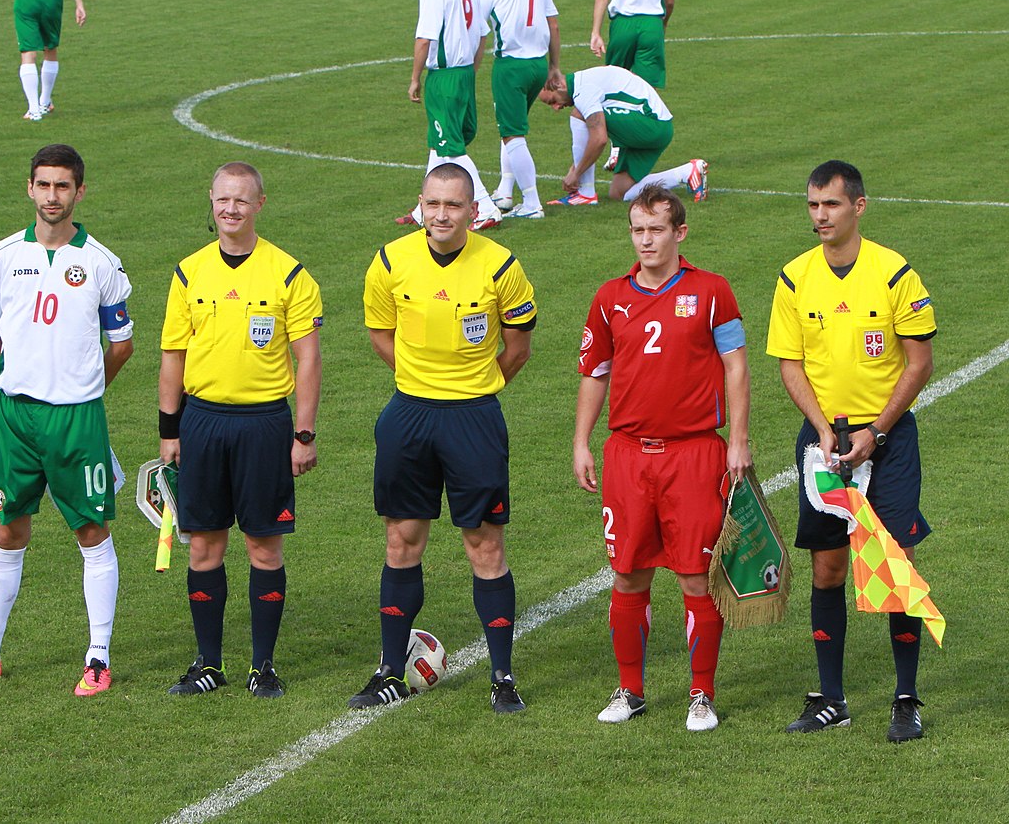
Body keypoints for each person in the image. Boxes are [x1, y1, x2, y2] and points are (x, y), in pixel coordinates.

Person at [350, 163, 537, 713]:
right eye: (433, 204)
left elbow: (519, 346)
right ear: (420, 205)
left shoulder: (501, 266)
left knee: (484, 543)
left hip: (473, 418)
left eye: (453, 205)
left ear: (473, 210)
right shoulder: (389, 261)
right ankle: (389, 669)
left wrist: (475, 387)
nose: (441, 215)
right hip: (408, 415)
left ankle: (502, 676)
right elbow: (379, 334)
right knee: (401, 539)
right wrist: (419, 380)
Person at [766, 160, 937, 742]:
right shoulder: (793, 278)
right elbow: (790, 364)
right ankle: (830, 698)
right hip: (824, 444)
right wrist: (820, 429)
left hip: (886, 442)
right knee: (829, 565)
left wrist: (878, 433)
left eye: (831, 205)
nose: (820, 216)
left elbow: (919, 363)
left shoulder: (894, 276)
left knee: (895, 564)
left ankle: (906, 699)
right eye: (813, 205)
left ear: (858, 207)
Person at [0, 143, 133, 696]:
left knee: (90, 530)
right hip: (15, 417)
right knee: (8, 529)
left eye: (63, 186)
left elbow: (122, 345)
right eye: (44, 184)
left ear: (80, 191)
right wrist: (28, 378)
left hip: (77, 420)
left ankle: (98, 657)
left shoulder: (102, 263)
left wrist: (80, 388)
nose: (52, 195)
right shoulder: (1, 257)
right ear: (29, 188)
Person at [573, 184, 751, 730]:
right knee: (627, 575)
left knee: (696, 576)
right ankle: (630, 690)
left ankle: (701, 693)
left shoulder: (713, 291)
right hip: (627, 456)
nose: (646, 240)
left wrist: (739, 441)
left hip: (694, 455)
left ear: (680, 233)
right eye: (637, 230)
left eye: (656, 230)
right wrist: (581, 441)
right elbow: (594, 373)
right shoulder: (609, 297)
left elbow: (737, 367)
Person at [158, 162, 322, 698]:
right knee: (203, 546)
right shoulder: (188, 273)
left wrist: (303, 433)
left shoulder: (290, 275)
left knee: (264, 548)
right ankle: (208, 663)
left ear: (260, 204)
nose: (231, 209)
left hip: (264, 426)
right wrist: (169, 430)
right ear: (210, 200)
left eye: (242, 201)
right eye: (223, 200)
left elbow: (309, 359)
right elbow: (172, 357)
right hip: (202, 422)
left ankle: (263, 665)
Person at [396, 0, 503, 231]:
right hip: (464, 73)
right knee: (439, 142)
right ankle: (423, 211)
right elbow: (482, 33)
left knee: (451, 146)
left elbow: (425, 38)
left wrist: (415, 78)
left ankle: (486, 207)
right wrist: (471, 72)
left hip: (444, 78)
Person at [537, 66, 706, 206]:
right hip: (655, 127)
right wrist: (577, 166)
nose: (556, 108)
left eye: (552, 101)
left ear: (559, 85)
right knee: (619, 193)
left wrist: (577, 172)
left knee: (579, 114)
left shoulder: (583, 91)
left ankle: (585, 193)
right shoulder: (586, 80)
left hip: (653, 125)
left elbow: (599, 139)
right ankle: (687, 172)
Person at [477, 0, 563, 220]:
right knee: (509, 126)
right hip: (537, 64)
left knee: (512, 133)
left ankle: (532, 202)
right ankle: (505, 191)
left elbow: (476, 26)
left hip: (511, 66)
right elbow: (553, 25)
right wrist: (554, 66)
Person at [589, 0, 677, 170]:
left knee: (613, 87)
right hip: (651, 23)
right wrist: (664, 23)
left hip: (622, 24)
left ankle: (616, 149)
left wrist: (595, 31)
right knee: (647, 90)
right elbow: (669, 0)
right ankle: (641, 150)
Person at [0, 0, 86, 121]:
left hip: (26, 1)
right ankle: (44, 102)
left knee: (28, 53)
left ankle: (34, 110)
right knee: (50, 49)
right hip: (51, 1)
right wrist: (79, 3)